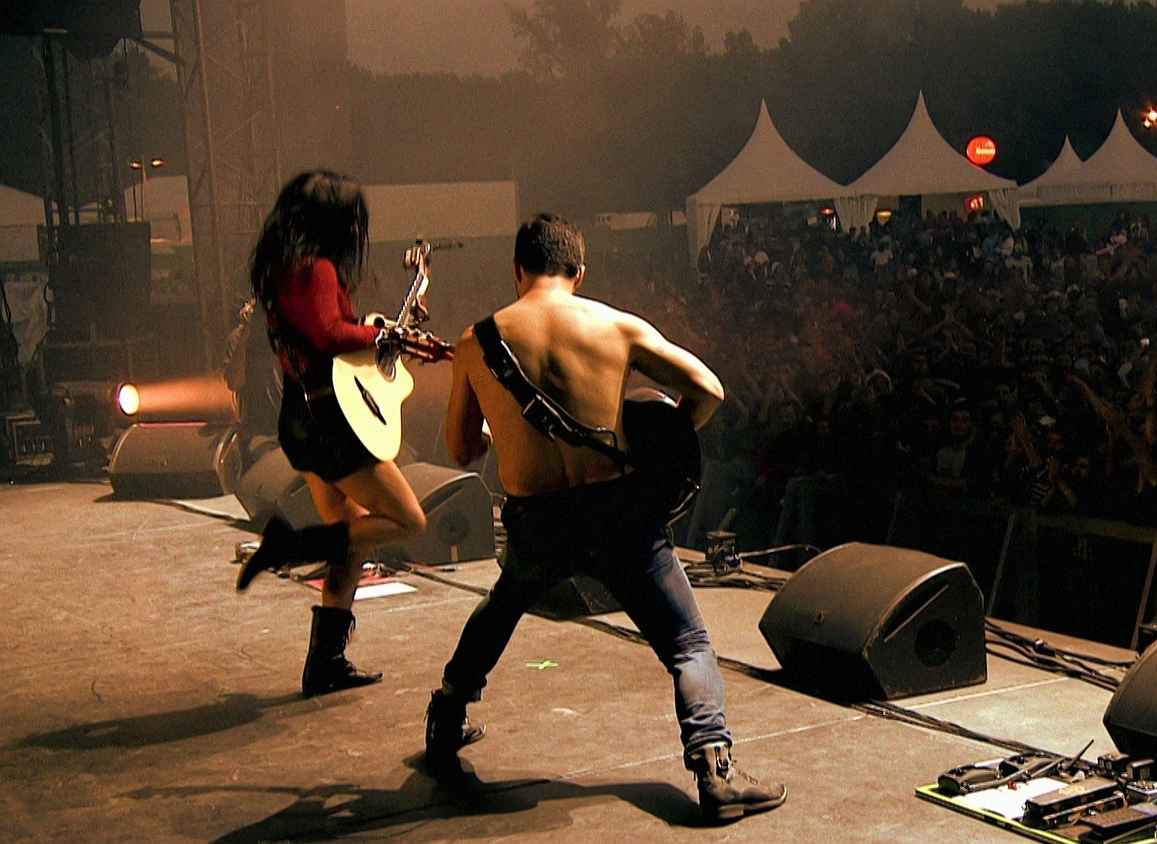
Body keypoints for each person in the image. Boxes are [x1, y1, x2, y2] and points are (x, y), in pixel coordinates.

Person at [426, 213, 785, 823]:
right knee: (688, 643)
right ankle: (713, 768)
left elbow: (462, 451)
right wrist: (657, 444)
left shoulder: (475, 341)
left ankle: (447, 718)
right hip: (619, 513)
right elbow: (710, 390)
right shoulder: (615, 326)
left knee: (505, 602)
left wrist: (501, 430)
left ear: (517, 269)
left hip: (537, 518)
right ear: (579, 271)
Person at [235, 170, 448, 696]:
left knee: (351, 538)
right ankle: (292, 546)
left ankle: (325, 662)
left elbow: (325, 338)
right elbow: (332, 334)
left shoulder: (283, 268)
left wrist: (385, 334)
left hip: (303, 414)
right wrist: (383, 333)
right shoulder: (316, 268)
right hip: (331, 425)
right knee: (408, 519)